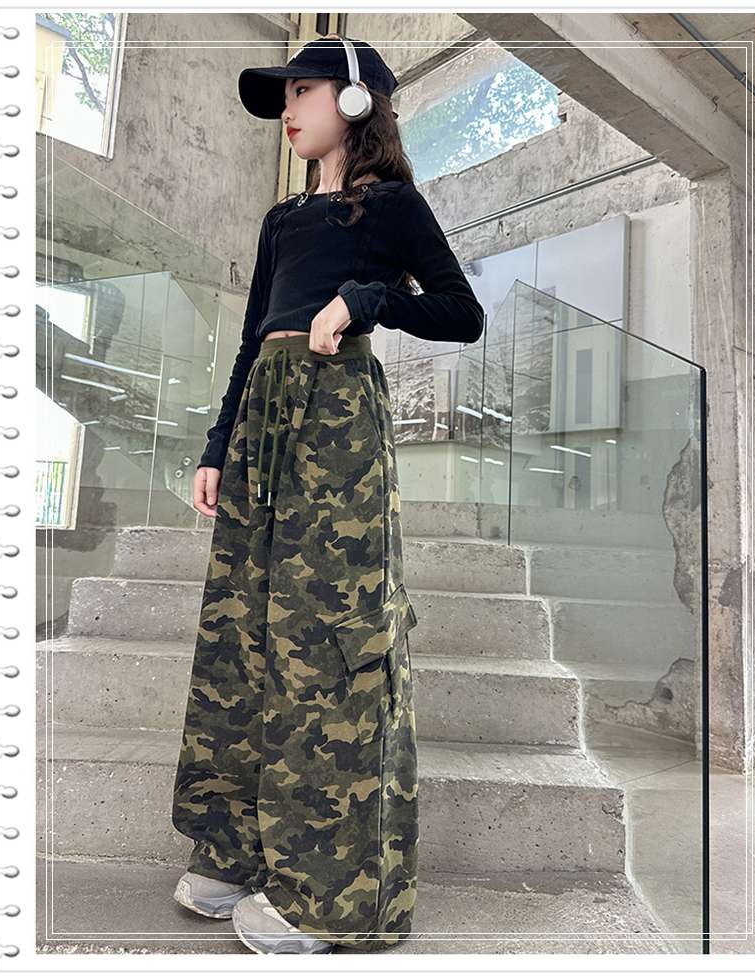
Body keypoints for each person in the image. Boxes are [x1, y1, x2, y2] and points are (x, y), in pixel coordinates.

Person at [169, 34, 485, 955]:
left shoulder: (391, 207)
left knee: (323, 641)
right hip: (262, 422)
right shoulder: (281, 220)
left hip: (337, 419)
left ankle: (328, 890)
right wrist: (217, 447)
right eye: (286, 93)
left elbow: (462, 312)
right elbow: (250, 340)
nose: (288, 107)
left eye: (303, 90)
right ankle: (237, 847)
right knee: (241, 633)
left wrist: (366, 299)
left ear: (354, 101)